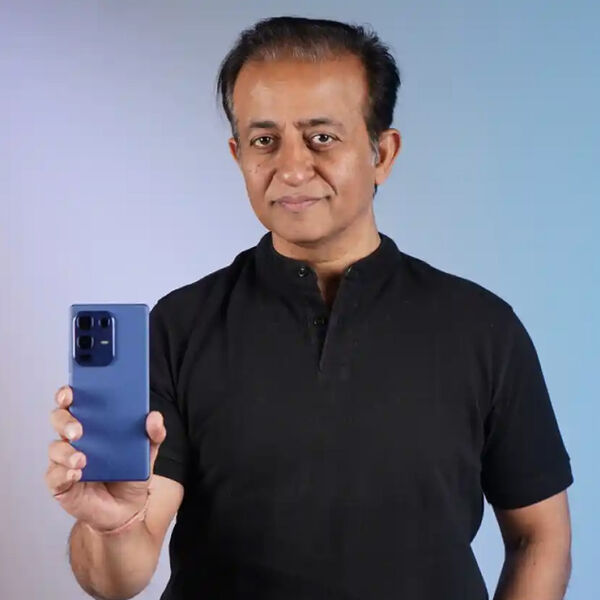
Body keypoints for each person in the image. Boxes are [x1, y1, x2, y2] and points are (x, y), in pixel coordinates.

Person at [46, 16, 574, 600]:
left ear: (382, 153)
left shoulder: (483, 328)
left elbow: (539, 536)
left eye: (322, 137)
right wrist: (110, 524)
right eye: (264, 141)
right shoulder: (180, 326)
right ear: (238, 154)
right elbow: (118, 577)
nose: (292, 169)